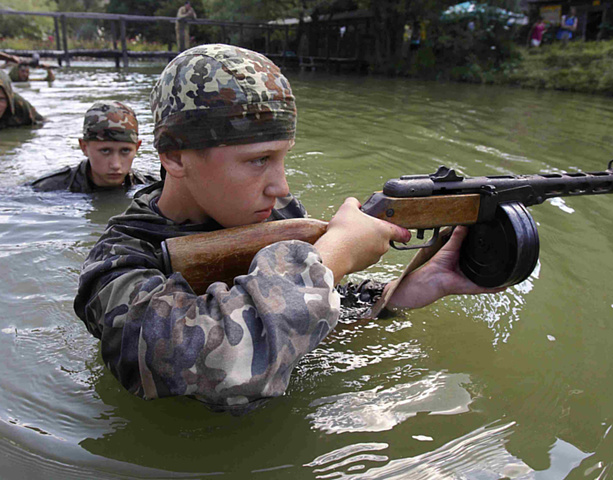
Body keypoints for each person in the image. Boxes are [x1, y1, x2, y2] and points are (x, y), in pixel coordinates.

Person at [73, 44, 503, 413]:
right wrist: (330, 258)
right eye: (258, 160)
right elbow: (210, 365)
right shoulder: (118, 261)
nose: (281, 186)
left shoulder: (275, 215)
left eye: (282, 157)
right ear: (174, 156)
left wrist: (393, 295)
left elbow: (314, 322)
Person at [29, 101, 155, 193]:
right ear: (84, 147)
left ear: (137, 148)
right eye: (105, 151)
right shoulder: (47, 188)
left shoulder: (149, 187)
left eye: (125, 151)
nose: (116, 165)